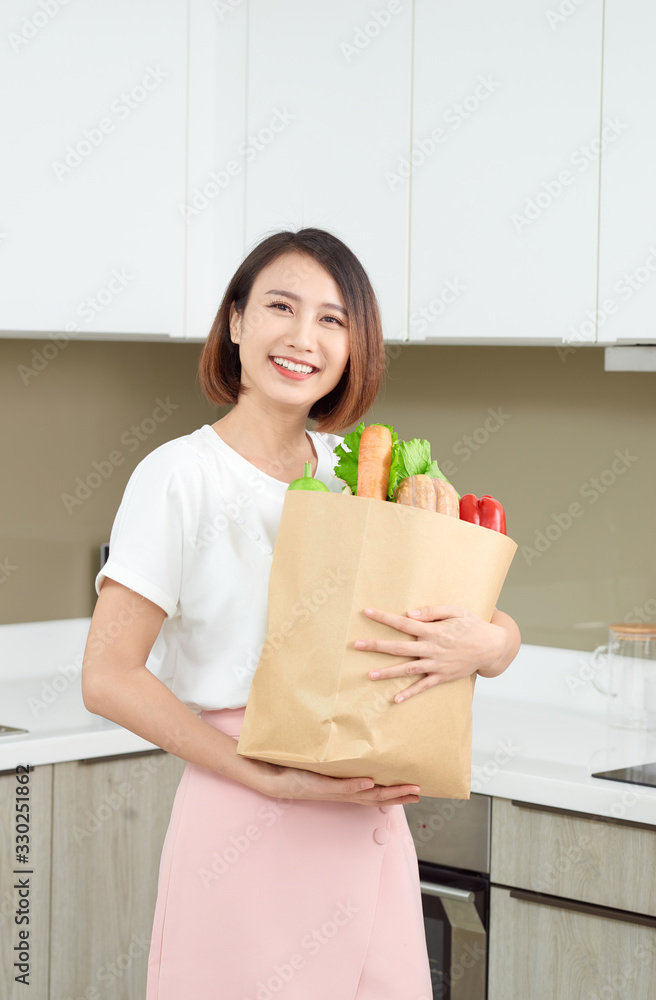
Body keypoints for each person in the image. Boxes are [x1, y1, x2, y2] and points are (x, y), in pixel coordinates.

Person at [81, 228, 520, 1000]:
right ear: (237, 323)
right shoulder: (180, 476)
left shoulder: (357, 470)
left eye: (331, 319)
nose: (302, 337)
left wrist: (484, 644)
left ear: (355, 347)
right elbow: (107, 677)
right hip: (246, 816)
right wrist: (271, 782)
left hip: (364, 823)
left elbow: (489, 623)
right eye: (280, 307)